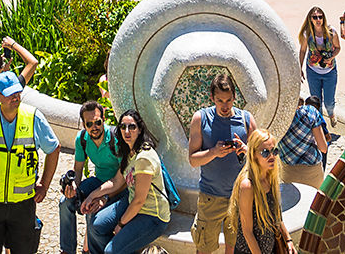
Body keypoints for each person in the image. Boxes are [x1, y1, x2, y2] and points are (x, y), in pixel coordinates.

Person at [0, 70, 59, 254]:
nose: (16, 97)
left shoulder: (34, 117)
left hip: (23, 205)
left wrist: (44, 185)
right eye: (11, 94)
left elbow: (54, 149)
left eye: (18, 93)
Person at [187, 70, 256, 254]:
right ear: (212, 98)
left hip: (239, 198)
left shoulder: (246, 120)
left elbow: (262, 158)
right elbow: (193, 160)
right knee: (203, 248)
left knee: (233, 248)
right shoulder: (200, 119)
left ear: (235, 97)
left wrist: (247, 151)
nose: (225, 106)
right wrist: (214, 152)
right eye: (220, 100)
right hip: (210, 198)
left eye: (229, 100)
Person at [88, 109, 172, 254]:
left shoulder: (144, 158)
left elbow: (139, 200)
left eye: (132, 127)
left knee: (111, 251)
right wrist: (92, 196)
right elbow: (116, 181)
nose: (127, 131)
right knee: (96, 225)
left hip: (152, 216)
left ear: (139, 130)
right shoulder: (129, 152)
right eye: (123, 127)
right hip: (133, 203)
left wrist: (121, 224)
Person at [61, 100, 123, 254]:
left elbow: (124, 179)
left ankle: (90, 250)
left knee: (92, 207)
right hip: (98, 181)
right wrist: (73, 186)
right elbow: (78, 169)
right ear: (83, 125)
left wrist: (104, 196)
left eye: (98, 122)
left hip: (118, 186)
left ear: (104, 120)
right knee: (65, 201)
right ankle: (67, 250)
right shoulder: (82, 139)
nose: (94, 127)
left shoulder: (116, 139)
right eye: (89, 124)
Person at [226, 128, 287, 254]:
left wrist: (289, 240)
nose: (272, 156)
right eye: (265, 153)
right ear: (254, 155)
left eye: (274, 151)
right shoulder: (248, 186)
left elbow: (277, 215)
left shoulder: (271, 177)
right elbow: (247, 232)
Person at [276, 92, 331, 189]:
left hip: (288, 172)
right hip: (312, 172)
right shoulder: (311, 112)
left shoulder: (278, 116)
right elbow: (323, 148)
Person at [298, 8, 340, 109]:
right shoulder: (307, 34)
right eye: (315, 17)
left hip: (329, 71)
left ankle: (331, 114)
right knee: (316, 103)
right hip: (313, 72)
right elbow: (303, 51)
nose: (318, 19)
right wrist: (299, 68)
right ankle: (320, 124)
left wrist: (331, 57)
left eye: (320, 17)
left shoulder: (331, 32)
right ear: (310, 19)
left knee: (329, 103)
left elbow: (338, 48)